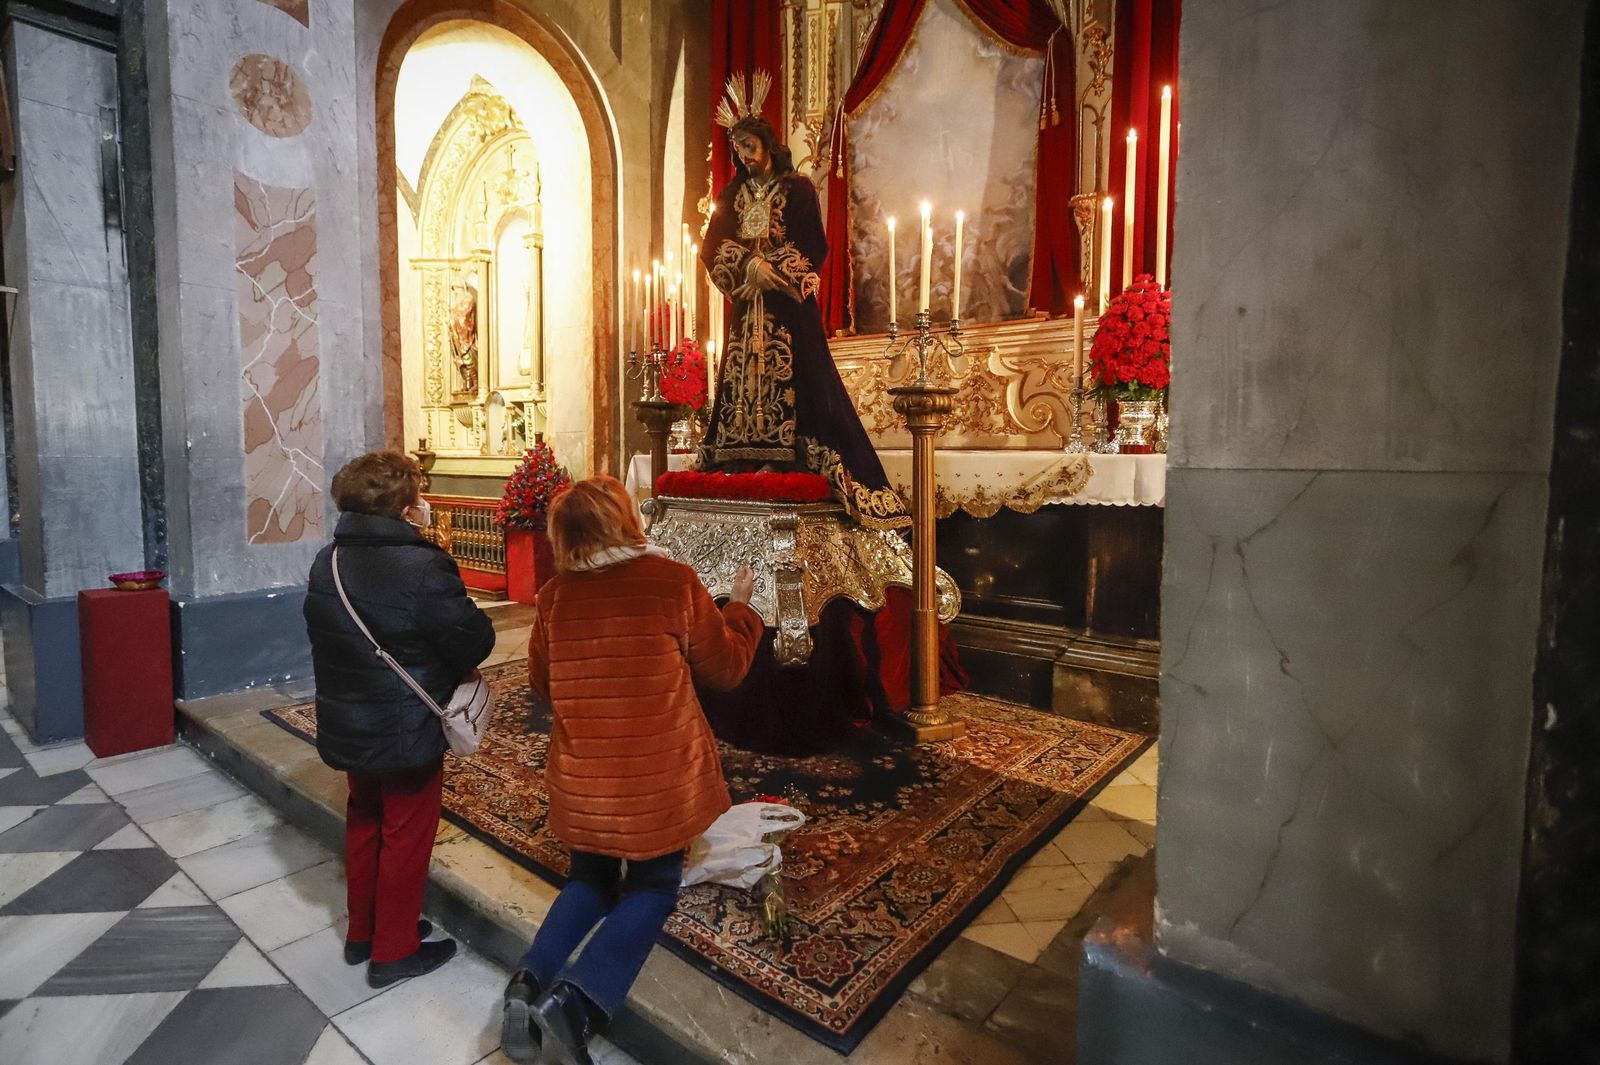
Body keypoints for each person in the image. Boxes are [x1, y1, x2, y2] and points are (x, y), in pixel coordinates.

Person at [500, 476, 761, 1065]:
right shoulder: (671, 581)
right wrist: (740, 608)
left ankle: (528, 981)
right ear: (625, 521)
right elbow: (724, 670)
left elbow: (543, 686)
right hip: (655, 779)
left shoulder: (553, 596)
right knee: (651, 886)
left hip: (584, 773)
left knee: (588, 878)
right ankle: (575, 1001)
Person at [303, 451, 496, 988]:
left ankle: (362, 932)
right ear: (405, 506)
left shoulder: (329, 561)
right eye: (418, 490)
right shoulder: (422, 565)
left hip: (350, 718)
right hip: (406, 726)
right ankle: (393, 950)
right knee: (407, 832)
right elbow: (473, 640)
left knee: (365, 817)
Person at [699, 101, 910, 532]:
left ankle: (790, 459)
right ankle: (744, 459)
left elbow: (814, 243)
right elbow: (712, 245)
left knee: (801, 379)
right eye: (737, 147)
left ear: (769, 145)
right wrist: (745, 266)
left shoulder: (797, 189)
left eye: (750, 144)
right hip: (747, 306)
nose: (744, 154)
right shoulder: (730, 196)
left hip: (786, 308)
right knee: (741, 376)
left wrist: (773, 270)